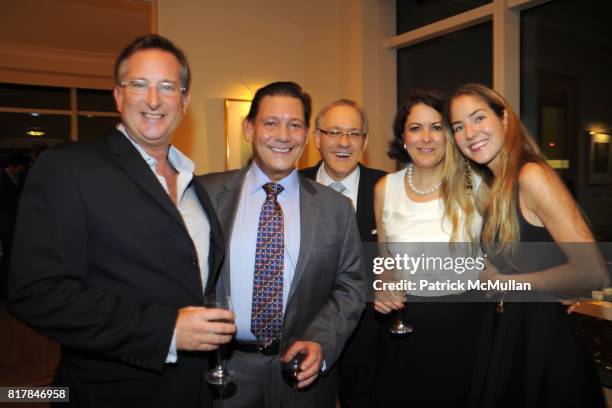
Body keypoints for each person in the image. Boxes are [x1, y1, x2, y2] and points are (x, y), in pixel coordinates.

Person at [8, 34, 236, 408]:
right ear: (118, 95)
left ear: (184, 101)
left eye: (166, 86)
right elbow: (36, 291)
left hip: (196, 388)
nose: (153, 99)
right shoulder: (69, 168)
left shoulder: (195, 183)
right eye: (139, 85)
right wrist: (166, 331)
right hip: (114, 391)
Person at [200, 82, 365, 408]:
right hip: (224, 372)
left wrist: (321, 343)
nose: (283, 135)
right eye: (271, 123)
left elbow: (351, 286)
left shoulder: (336, 209)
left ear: (306, 135)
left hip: (301, 374)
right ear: (249, 129)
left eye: (294, 125)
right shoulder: (205, 195)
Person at [448, 83, 609, 408]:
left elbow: (591, 269)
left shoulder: (532, 175)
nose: (469, 132)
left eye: (478, 118)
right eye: (459, 126)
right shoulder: (495, 187)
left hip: (543, 339)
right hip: (510, 331)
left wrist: (511, 283)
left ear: (505, 118)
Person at [373, 89, 487, 407]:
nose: (426, 138)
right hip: (404, 325)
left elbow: (511, 241)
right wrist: (382, 285)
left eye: (436, 127)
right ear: (403, 137)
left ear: (449, 135)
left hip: (463, 325)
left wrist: (558, 277)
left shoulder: (473, 184)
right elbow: (384, 260)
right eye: (415, 128)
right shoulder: (386, 188)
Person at [301, 99, 385, 408]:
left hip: (370, 345)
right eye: (334, 131)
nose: (344, 142)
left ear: (365, 141)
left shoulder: (388, 188)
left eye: (354, 133)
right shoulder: (290, 186)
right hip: (305, 340)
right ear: (317, 138)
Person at [0, 153, 29, 300]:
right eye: (20, 168)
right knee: (7, 257)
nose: (22, 170)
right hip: (5, 225)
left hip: (11, 224)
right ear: (11, 166)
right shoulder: (2, 179)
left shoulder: (14, 178)